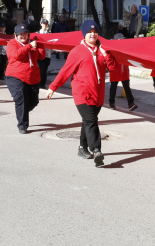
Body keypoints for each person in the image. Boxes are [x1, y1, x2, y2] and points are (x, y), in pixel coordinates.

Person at [47, 20, 116, 166]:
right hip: (82, 93)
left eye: (95, 32)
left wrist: (106, 54)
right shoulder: (77, 51)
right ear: (84, 34)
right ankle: (96, 150)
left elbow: (113, 68)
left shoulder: (102, 50)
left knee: (87, 121)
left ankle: (82, 148)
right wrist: (53, 87)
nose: (92, 35)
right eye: (89, 33)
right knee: (91, 121)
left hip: (98, 93)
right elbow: (65, 71)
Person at [6, 23, 45, 133]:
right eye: (20, 34)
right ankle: (22, 125)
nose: (23, 36)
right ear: (15, 35)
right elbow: (16, 55)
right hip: (15, 76)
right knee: (21, 100)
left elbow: (41, 56)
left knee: (33, 102)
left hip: (32, 77)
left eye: (25, 34)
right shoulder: (12, 43)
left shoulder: (32, 43)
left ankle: (21, 111)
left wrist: (40, 45)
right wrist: (30, 46)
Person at [108, 33, 138, 111]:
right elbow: (109, 59)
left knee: (127, 87)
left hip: (124, 70)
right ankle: (111, 103)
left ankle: (131, 104)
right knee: (113, 88)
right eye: (121, 39)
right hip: (115, 70)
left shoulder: (125, 48)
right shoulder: (111, 49)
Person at [37, 19, 52, 89]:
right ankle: (39, 83)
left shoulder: (49, 34)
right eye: (43, 24)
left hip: (47, 54)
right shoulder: (37, 33)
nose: (44, 25)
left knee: (45, 69)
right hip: (39, 54)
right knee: (41, 69)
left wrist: (56, 49)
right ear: (41, 24)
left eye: (46, 24)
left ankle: (43, 83)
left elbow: (53, 42)